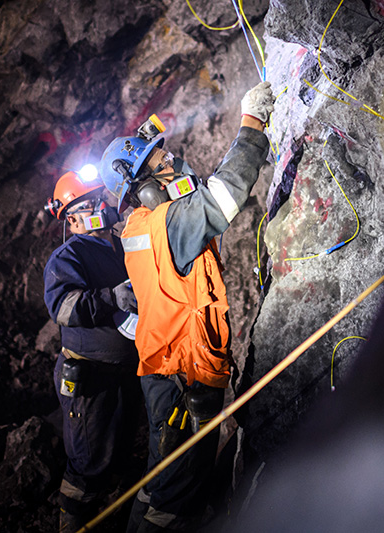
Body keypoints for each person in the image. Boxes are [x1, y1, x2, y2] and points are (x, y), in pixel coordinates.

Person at [98, 81, 275, 532]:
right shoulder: (166, 224)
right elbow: (223, 196)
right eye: (161, 162)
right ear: (142, 186)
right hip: (181, 378)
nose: (172, 161)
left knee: (169, 478)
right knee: (174, 495)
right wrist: (252, 125)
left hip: (175, 371)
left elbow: (193, 191)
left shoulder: (142, 228)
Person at [42, 169, 143, 532]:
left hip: (126, 374)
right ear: (72, 219)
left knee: (122, 453)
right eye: (89, 203)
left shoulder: (121, 245)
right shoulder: (69, 255)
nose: (101, 205)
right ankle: (71, 525)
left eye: (101, 196)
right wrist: (109, 297)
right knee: (88, 462)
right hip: (90, 380)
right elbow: (64, 308)